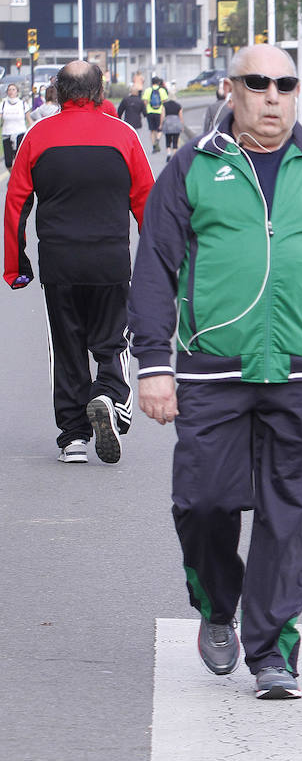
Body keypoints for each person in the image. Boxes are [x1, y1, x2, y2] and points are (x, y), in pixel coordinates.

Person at [128, 45, 302, 700]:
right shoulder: (192, 166)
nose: (272, 94)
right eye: (258, 83)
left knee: (286, 513)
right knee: (204, 502)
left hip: (299, 370)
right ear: (231, 89)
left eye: (285, 83)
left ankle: (273, 651)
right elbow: (155, 266)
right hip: (211, 370)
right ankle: (218, 604)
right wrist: (153, 363)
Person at [2, 61, 153, 464]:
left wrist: (16, 265)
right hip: (109, 261)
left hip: (59, 263)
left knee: (66, 346)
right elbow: (146, 204)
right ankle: (109, 396)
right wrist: (159, 265)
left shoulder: (37, 136)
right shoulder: (124, 136)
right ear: (100, 90)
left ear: (58, 90)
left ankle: (73, 438)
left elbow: (16, 204)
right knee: (111, 341)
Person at [2, 83, 28, 169]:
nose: (11, 92)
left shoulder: (23, 104)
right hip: (7, 133)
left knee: (19, 160)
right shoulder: (3, 104)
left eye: (13, 89)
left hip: (20, 133)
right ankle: (13, 177)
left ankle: (16, 180)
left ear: (17, 92)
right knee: (8, 163)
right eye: (9, 90)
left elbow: (29, 119)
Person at [141, 76, 169, 151]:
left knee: (152, 130)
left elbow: (145, 102)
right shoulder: (162, 90)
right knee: (159, 129)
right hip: (159, 112)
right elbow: (165, 101)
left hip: (150, 112)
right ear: (158, 82)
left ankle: (154, 145)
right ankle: (157, 139)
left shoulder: (148, 90)